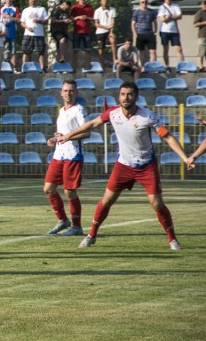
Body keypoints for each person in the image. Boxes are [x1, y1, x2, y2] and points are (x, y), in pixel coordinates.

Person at [58, 82, 187, 250]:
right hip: (123, 166)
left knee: (156, 203)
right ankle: (91, 235)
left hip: (146, 166)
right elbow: (91, 125)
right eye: (123, 94)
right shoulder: (113, 113)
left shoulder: (147, 116)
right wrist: (68, 135)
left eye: (130, 94)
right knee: (106, 200)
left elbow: (168, 137)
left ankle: (172, 239)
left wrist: (185, 157)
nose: (126, 98)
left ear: (136, 97)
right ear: (119, 96)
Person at [43, 80, 89, 236]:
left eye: (71, 90)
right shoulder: (62, 110)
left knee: (70, 192)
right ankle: (63, 220)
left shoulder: (79, 110)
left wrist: (68, 138)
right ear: (61, 93)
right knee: (48, 189)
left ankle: (77, 226)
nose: (68, 93)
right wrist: (54, 139)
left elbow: (87, 132)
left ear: (75, 93)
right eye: (65, 90)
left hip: (73, 155)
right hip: (58, 155)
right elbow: (62, 133)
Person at [20, 0, 49, 72]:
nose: (33, 0)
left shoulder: (41, 9)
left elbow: (46, 21)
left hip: (39, 34)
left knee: (41, 52)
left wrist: (39, 21)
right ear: (29, 1)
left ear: (37, 0)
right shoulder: (25, 10)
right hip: (28, 34)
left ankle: (42, 68)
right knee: (26, 51)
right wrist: (27, 27)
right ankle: (24, 68)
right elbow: (22, 22)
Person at [157, 0, 185, 67]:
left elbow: (180, 16)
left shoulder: (175, 6)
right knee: (166, 49)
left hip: (174, 31)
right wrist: (172, 17)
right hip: (164, 31)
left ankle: (182, 66)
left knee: (179, 49)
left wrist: (169, 17)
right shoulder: (162, 7)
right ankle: (167, 66)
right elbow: (162, 19)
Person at [70, 0, 94, 70]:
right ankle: (74, 68)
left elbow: (94, 18)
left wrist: (86, 17)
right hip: (77, 31)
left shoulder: (90, 7)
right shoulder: (74, 7)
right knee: (75, 50)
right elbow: (71, 19)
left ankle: (88, 68)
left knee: (88, 50)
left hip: (87, 32)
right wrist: (78, 17)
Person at [131, 0, 158, 65]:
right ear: (140, 3)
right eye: (142, 2)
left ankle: (152, 67)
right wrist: (135, 33)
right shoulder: (136, 12)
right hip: (140, 34)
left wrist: (155, 31)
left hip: (150, 34)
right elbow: (133, 24)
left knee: (153, 52)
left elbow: (155, 22)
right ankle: (143, 66)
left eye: (146, 2)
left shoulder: (151, 12)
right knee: (141, 52)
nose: (144, 3)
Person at [0, 0, 21, 71]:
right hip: (3, 32)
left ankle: (14, 67)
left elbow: (18, 20)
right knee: (4, 50)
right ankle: (4, 66)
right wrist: (2, 24)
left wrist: (9, 17)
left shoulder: (15, 9)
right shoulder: (1, 8)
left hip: (12, 32)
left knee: (13, 51)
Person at [94, 0, 117, 67]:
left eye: (106, 1)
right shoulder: (97, 11)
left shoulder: (113, 10)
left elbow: (112, 22)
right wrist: (105, 27)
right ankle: (101, 65)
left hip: (109, 31)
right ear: (101, 2)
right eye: (104, 1)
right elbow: (96, 24)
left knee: (112, 40)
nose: (105, 2)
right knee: (101, 49)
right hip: (100, 32)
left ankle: (114, 61)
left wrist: (111, 32)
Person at [48, 0, 73, 65]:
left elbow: (69, 18)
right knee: (62, 39)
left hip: (64, 30)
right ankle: (62, 57)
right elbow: (53, 20)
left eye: (67, 8)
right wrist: (63, 21)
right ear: (63, 5)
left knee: (65, 44)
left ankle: (61, 61)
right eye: (65, 8)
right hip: (56, 30)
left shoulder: (67, 11)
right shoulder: (56, 10)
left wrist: (69, 21)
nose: (66, 9)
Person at [194, 0, 206, 72]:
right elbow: (195, 24)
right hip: (203, 35)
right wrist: (204, 22)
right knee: (201, 52)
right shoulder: (200, 13)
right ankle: (201, 67)